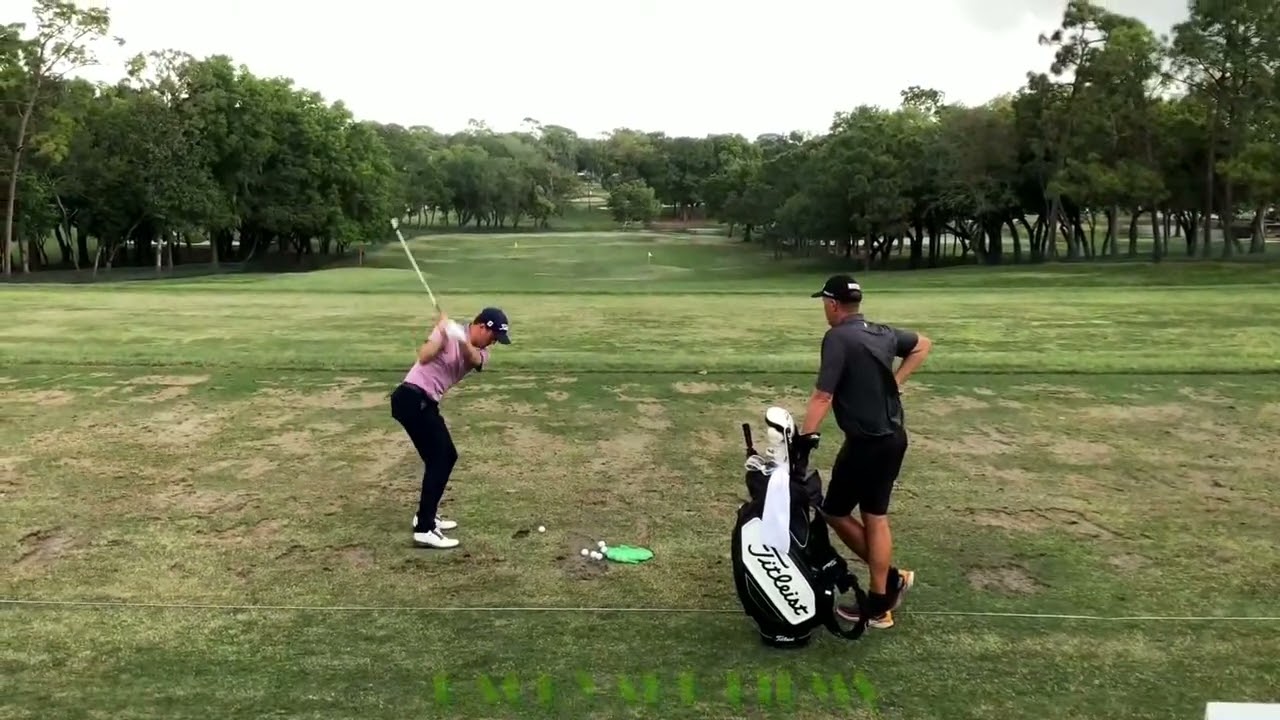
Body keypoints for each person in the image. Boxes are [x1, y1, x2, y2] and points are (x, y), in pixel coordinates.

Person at [795, 274, 931, 629]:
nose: (825, 309)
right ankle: (884, 593)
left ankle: (883, 592)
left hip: (866, 444)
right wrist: (895, 385)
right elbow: (922, 345)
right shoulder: (881, 332)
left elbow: (823, 396)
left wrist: (805, 439)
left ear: (834, 305)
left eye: (825, 303)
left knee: (835, 511)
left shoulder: (837, 338)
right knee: (875, 516)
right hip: (893, 439)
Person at [390, 307, 510, 549]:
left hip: (426, 403)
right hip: (411, 399)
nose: (493, 342)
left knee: (442, 458)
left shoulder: (482, 353)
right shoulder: (448, 332)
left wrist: (460, 337)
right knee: (442, 458)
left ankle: (425, 516)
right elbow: (424, 356)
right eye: (493, 336)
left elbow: (472, 359)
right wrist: (443, 332)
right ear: (481, 326)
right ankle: (424, 528)